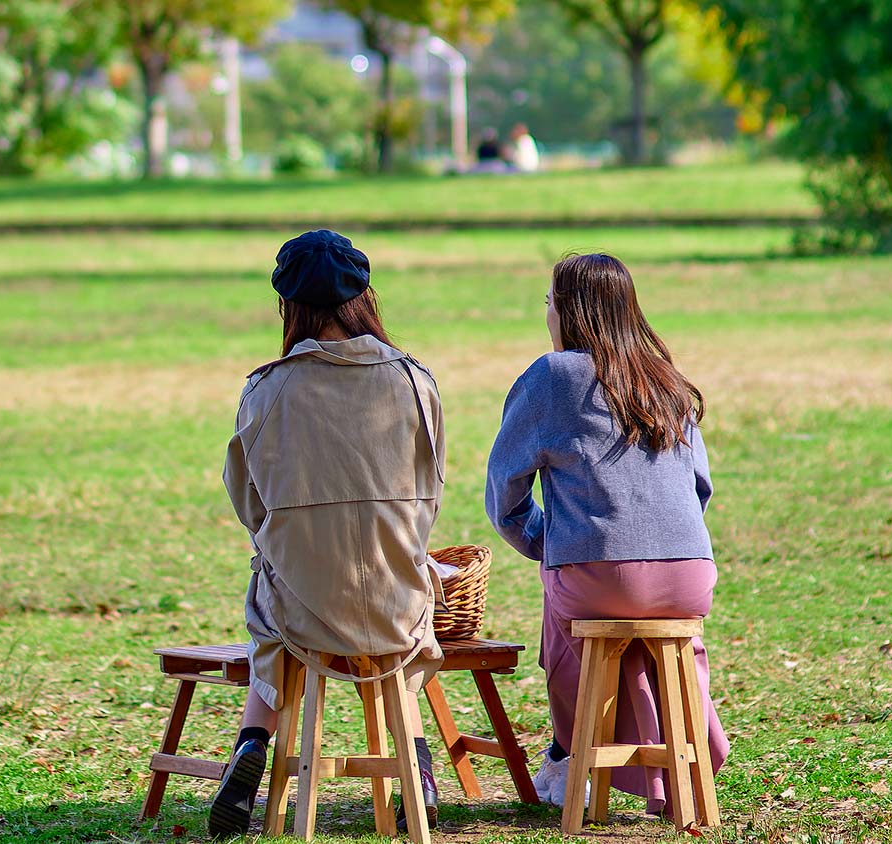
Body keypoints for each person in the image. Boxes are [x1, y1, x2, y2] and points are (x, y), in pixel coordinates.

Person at [209, 229, 446, 838]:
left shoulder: (265, 390)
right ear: (363, 296)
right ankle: (414, 761)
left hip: (302, 608)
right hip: (396, 601)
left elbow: (249, 505)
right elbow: (431, 490)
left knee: (273, 588)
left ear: (289, 305)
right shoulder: (415, 382)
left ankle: (253, 740)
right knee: (405, 624)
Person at [484, 252, 728, 814]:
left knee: (565, 597)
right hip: (690, 572)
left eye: (548, 301)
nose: (544, 313)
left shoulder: (552, 376)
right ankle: (677, 768)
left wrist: (545, 542)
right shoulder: (664, 376)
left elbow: (505, 489)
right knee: (637, 626)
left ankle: (571, 753)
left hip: (603, 575)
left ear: (568, 312)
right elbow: (700, 486)